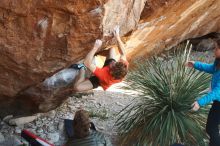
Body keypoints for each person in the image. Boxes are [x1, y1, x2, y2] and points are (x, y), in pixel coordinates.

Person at [71, 26, 128, 92]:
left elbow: (87, 63)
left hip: (99, 80)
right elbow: (123, 53)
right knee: (112, 49)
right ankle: (94, 55)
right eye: (115, 62)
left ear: (111, 71)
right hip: (109, 71)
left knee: (77, 87)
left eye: (113, 65)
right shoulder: (123, 65)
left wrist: (95, 47)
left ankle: (82, 68)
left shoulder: (104, 75)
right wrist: (117, 36)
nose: (113, 62)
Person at [186, 39, 220, 146]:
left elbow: (217, 92)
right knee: (211, 127)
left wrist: (200, 102)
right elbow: (212, 69)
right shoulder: (219, 61)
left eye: (217, 48)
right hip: (218, 102)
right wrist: (196, 64)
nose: (214, 50)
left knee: (211, 128)